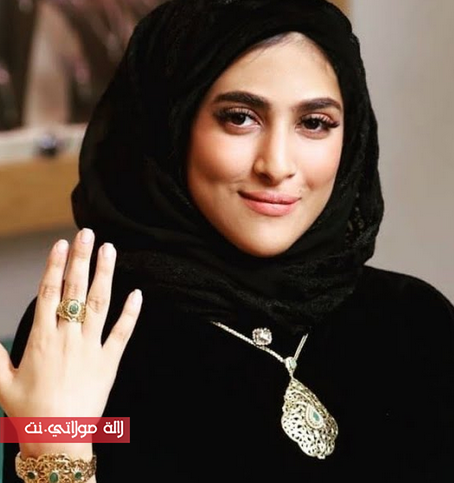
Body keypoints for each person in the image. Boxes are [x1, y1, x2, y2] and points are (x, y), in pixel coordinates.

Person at [2, 0, 454, 481]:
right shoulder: (83, 337)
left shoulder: (417, 321)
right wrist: (56, 450)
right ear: (173, 126)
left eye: (314, 123)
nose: (276, 165)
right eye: (240, 117)